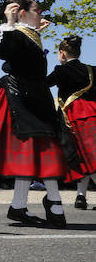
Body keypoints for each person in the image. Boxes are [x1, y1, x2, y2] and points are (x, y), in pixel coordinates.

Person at [0, 0, 68, 227]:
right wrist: (10, 21)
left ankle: (20, 206)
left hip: (33, 99)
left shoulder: (28, 33)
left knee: (37, 152)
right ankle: (54, 205)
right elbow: (1, 51)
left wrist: (32, 30)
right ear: (22, 12)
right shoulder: (14, 32)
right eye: (37, 10)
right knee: (43, 150)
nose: (42, 14)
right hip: (20, 100)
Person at [47, 35, 96, 210]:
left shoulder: (61, 71)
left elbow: (44, 84)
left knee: (86, 159)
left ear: (62, 53)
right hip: (93, 115)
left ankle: (81, 196)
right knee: (86, 158)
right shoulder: (92, 70)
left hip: (74, 118)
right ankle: (80, 196)